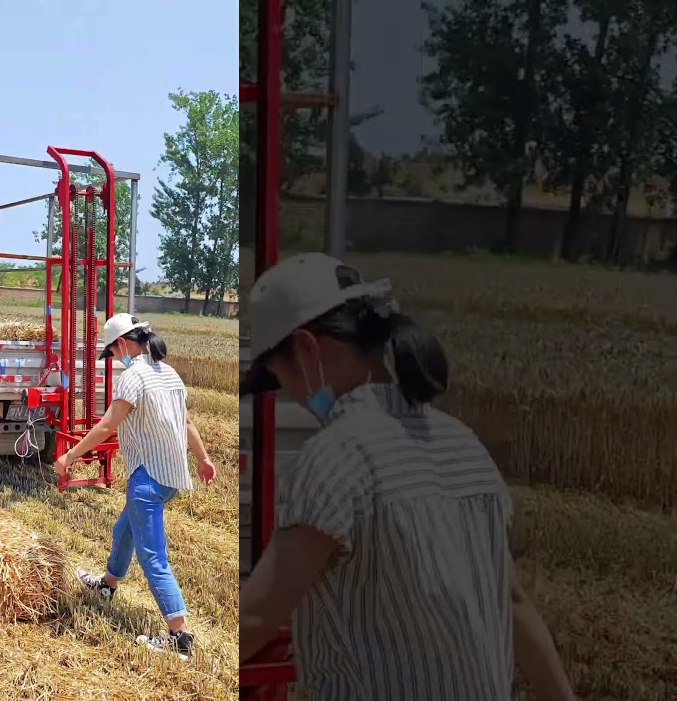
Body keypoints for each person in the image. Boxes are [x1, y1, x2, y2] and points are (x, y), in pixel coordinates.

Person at [238, 252, 575, 700]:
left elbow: (258, 615)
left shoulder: (337, 455)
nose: (294, 398)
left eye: (283, 378)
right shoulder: (463, 444)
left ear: (306, 349)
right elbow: (512, 602)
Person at [54, 312, 218, 661]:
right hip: (171, 476)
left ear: (123, 344)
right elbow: (187, 423)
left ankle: (180, 637)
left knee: (153, 557)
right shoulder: (169, 373)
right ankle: (108, 585)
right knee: (124, 529)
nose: (114, 358)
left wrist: (69, 455)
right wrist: (203, 459)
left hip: (148, 479)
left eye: (113, 352)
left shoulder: (133, 377)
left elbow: (106, 426)